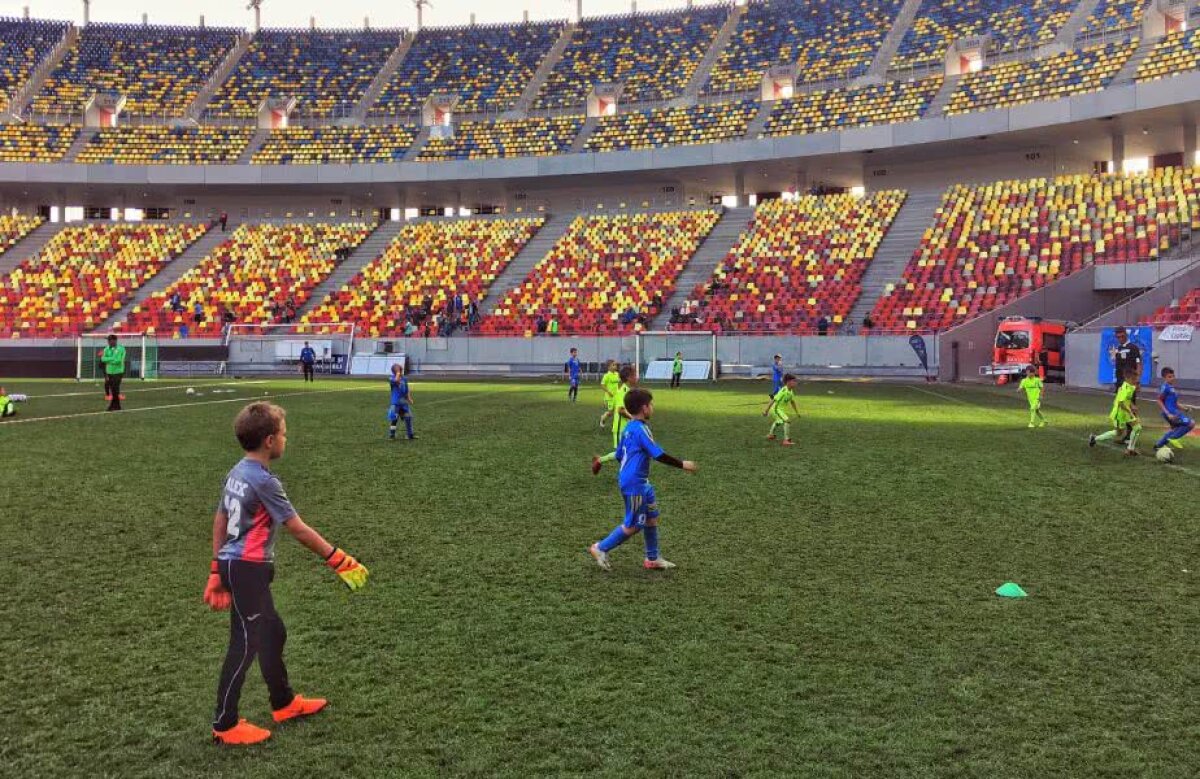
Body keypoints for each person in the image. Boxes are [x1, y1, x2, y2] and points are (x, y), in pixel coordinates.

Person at [205, 402, 369, 746]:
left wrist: (217, 569)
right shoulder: (265, 481)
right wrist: (338, 559)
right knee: (245, 643)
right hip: (248, 569)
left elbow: (220, 520)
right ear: (268, 441)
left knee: (273, 633)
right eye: (283, 434)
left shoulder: (236, 471)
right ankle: (225, 723)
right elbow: (297, 528)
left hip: (239, 567)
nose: (285, 439)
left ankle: (283, 703)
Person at [588, 387, 697, 572]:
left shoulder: (629, 427)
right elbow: (658, 454)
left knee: (651, 518)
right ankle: (600, 548)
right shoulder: (640, 429)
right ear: (644, 408)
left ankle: (652, 558)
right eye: (651, 404)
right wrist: (682, 464)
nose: (653, 407)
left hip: (640, 482)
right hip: (634, 484)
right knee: (634, 525)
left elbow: (619, 454)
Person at [592, 364, 637, 474]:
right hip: (620, 429)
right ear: (629, 378)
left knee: (625, 453)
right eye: (634, 375)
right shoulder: (623, 391)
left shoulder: (628, 390)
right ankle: (626, 477)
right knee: (622, 454)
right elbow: (621, 410)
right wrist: (635, 419)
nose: (636, 377)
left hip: (627, 428)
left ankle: (600, 460)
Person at [1090, 367, 1141, 456]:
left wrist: (1132, 406)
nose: (1135, 381)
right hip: (1119, 413)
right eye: (1133, 379)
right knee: (1118, 433)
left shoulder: (1130, 386)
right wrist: (1131, 413)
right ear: (1127, 378)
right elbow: (1121, 403)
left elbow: (1127, 400)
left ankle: (1130, 449)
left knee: (1137, 428)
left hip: (1126, 411)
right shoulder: (1125, 388)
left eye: (1135, 379)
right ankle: (1095, 438)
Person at [1155, 367, 1195, 454]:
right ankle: (1174, 438)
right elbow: (1159, 400)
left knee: (1175, 429)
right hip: (1172, 413)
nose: (1172, 378)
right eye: (1169, 377)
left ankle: (1159, 445)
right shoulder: (1165, 387)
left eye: (1173, 376)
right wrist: (1168, 413)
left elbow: (1175, 403)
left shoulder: (1171, 387)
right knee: (1191, 423)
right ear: (1164, 378)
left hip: (1174, 412)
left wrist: (1185, 408)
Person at [763, 373, 800, 446]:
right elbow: (773, 400)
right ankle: (786, 440)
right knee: (787, 421)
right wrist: (766, 411)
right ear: (788, 382)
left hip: (781, 410)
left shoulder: (791, 391)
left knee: (779, 422)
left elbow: (792, 402)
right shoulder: (783, 391)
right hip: (776, 409)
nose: (796, 383)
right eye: (794, 381)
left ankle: (771, 435)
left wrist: (797, 412)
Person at [387, 363, 416, 440]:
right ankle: (391, 435)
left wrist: (409, 398)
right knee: (394, 419)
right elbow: (396, 380)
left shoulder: (404, 379)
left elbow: (407, 390)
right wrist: (398, 373)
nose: (400, 370)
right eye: (398, 369)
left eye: (400, 369)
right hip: (395, 403)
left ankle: (410, 435)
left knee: (408, 417)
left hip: (403, 403)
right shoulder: (391, 378)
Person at [100, 334, 126, 412]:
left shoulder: (121, 349)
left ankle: (112, 405)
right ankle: (117, 406)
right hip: (109, 372)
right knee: (114, 390)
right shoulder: (106, 349)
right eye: (108, 340)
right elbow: (102, 359)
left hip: (118, 372)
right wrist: (112, 359)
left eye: (110, 340)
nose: (108, 342)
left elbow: (118, 361)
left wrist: (108, 359)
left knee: (115, 389)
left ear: (115, 340)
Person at [599, 360, 621, 428]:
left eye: (615, 365)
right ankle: (602, 419)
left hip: (617, 396)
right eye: (613, 365)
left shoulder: (617, 374)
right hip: (610, 397)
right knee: (610, 412)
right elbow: (602, 385)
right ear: (608, 367)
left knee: (619, 409)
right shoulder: (607, 375)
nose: (615, 366)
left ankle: (617, 424)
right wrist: (608, 392)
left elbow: (619, 383)